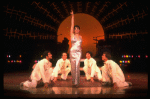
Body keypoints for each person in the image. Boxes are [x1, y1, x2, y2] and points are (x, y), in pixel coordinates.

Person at [70, 10, 82, 87]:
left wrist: (80, 50)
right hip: (72, 52)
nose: (76, 30)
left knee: (77, 67)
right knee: (73, 67)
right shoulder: (72, 35)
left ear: (79, 30)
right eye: (75, 29)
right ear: (74, 30)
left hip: (79, 52)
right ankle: (73, 82)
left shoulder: (81, 37)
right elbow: (72, 25)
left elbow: (80, 45)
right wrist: (72, 16)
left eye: (78, 29)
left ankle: (77, 83)